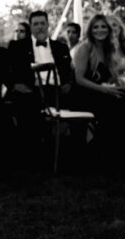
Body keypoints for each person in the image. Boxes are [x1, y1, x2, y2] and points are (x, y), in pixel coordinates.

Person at [74, 14, 125, 170]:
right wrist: (104, 89)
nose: (100, 30)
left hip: (103, 92)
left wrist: (115, 85)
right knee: (113, 106)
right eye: (96, 27)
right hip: (84, 93)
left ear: (109, 29)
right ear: (90, 30)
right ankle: (107, 155)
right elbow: (78, 79)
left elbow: (114, 77)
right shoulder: (85, 48)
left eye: (103, 26)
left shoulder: (109, 50)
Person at [6, 10, 74, 159]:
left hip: (58, 91)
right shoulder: (17, 47)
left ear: (48, 25)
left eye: (43, 23)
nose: (40, 27)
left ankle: (74, 151)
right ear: (30, 27)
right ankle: (34, 153)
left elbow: (70, 72)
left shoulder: (61, 47)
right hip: (31, 91)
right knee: (25, 105)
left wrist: (68, 83)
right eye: (35, 24)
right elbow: (5, 71)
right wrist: (14, 85)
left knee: (79, 99)